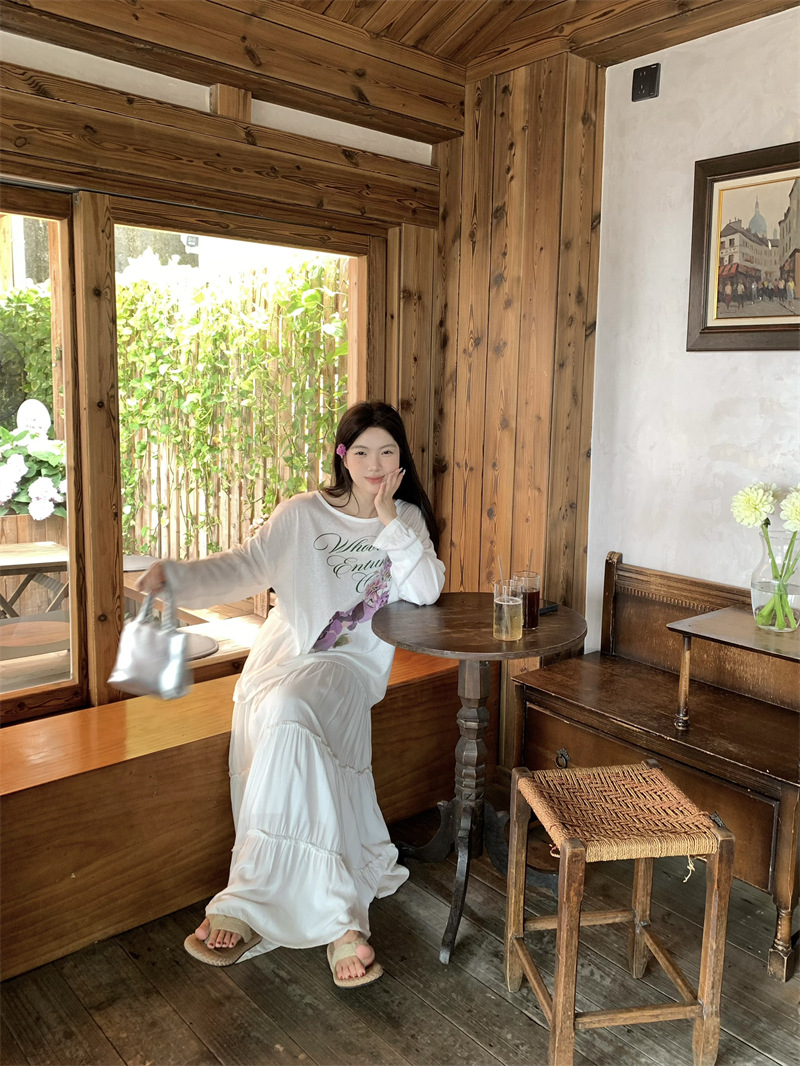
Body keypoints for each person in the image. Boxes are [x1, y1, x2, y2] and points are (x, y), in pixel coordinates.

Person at [137, 401, 445, 986]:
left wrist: (387, 519)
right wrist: (175, 577)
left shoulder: (405, 519)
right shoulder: (302, 514)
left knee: (289, 708)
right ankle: (334, 921)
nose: (375, 465)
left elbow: (427, 589)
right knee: (284, 709)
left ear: (401, 460)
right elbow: (243, 566)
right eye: (362, 452)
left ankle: (252, 902)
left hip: (350, 668)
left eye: (387, 452)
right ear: (342, 456)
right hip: (286, 660)